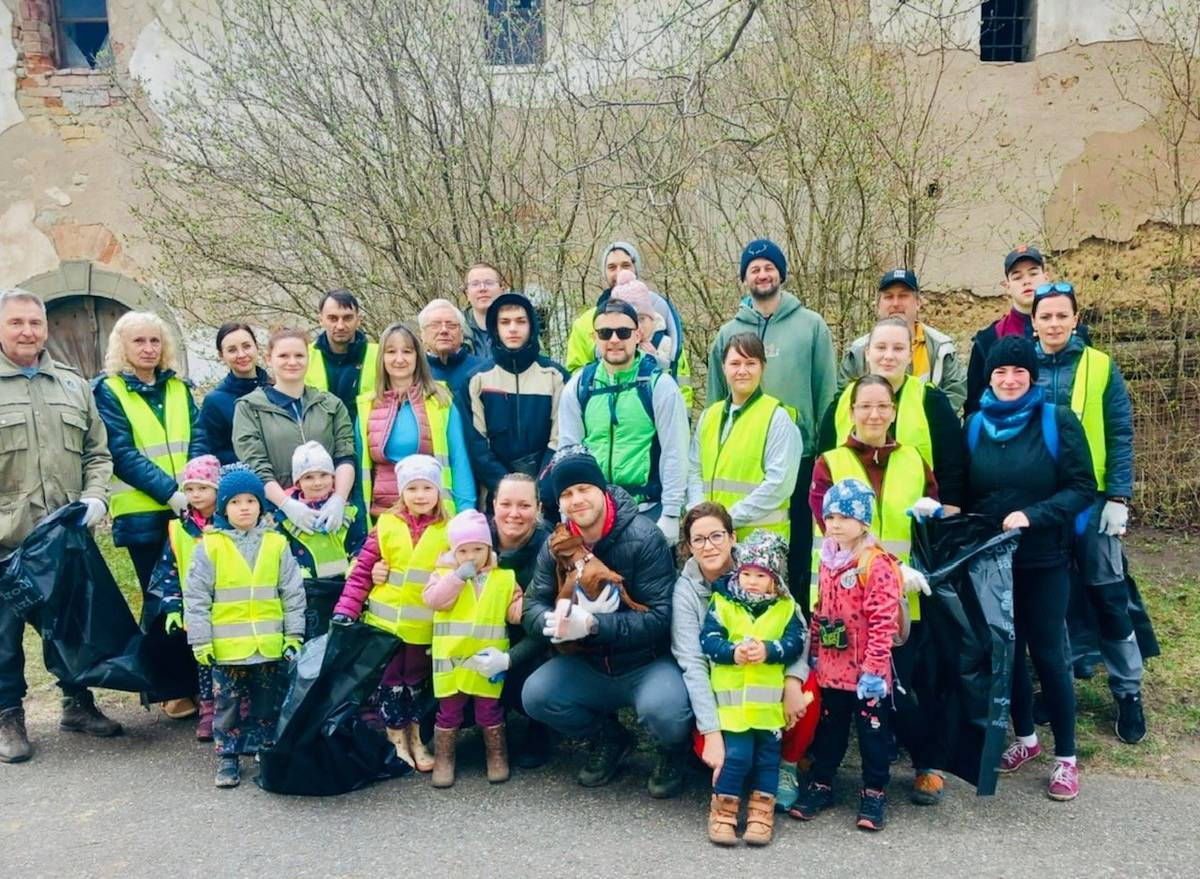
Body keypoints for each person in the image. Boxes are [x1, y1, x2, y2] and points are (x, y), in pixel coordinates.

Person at [520, 447, 692, 798]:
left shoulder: (644, 537)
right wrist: (549, 622)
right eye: (566, 494)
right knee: (536, 695)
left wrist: (595, 626)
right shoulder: (557, 544)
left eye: (583, 489)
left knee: (668, 714)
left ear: (602, 489)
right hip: (587, 663)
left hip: (645, 662)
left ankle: (671, 751)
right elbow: (531, 605)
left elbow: (661, 617)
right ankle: (609, 738)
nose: (576, 500)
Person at [966, 336, 1095, 801]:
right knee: (1007, 650)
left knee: (1048, 654)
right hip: (995, 563)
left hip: (1044, 560)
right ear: (990, 377)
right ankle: (1026, 740)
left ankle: (1067, 758)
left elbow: (1083, 487)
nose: (1009, 379)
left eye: (1019, 372)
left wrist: (1033, 516)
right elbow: (971, 492)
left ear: (1032, 377)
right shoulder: (977, 425)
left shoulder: (1055, 420)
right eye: (1001, 372)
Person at [809, 374, 943, 804]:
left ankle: (925, 764)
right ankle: (832, 773)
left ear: (894, 412)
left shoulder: (914, 459)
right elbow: (826, 524)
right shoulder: (829, 461)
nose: (873, 414)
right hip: (843, 597)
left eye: (882, 406)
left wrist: (933, 517)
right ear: (851, 412)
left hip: (898, 602)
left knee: (903, 691)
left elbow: (932, 524)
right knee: (841, 705)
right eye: (865, 406)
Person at [0, 289, 120, 763]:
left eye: (34, 322)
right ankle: (8, 716)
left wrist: (95, 496)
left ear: (46, 328)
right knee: (4, 638)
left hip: (64, 536)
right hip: (6, 541)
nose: (27, 331)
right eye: (16, 323)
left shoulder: (72, 385)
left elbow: (98, 452)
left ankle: (77, 703)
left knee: (69, 627)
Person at [369, 471, 555, 767]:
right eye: (506, 504)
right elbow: (421, 563)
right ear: (493, 504)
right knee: (447, 714)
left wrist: (508, 660)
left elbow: (543, 627)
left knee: (535, 689)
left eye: (525, 505)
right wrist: (380, 570)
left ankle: (536, 728)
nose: (514, 514)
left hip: (521, 648)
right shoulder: (472, 534)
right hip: (462, 649)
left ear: (539, 508)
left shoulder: (548, 550)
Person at [1032, 282, 1144, 743]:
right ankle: (1058, 690)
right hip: (1046, 504)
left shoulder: (1099, 367)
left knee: (1108, 595)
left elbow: (1120, 433)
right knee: (1053, 600)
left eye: (1063, 316)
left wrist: (1119, 496)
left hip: (1094, 504)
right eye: (1046, 316)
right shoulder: (1022, 368)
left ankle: (1128, 691)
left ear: (1076, 319)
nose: (1054, 324)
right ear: (1033, 321)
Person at [708, 238, 837, 604]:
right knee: (743, 553)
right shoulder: (727, 333)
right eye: (754, 269)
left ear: (781, 273)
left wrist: (826, 454)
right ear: (744, 279)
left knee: (798, 547)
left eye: (768, 267)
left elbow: (827, 393)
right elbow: (716, 399)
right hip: (742, 461)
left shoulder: (810, 326)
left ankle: (795, 624)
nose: (762, 274)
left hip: (802, 458)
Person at [184, 466, 305, 788]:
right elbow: (196, 597)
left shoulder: (277, 544)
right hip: (228, 648)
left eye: (251, 500)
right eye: (235, 501)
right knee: (228, 705)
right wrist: (201, 641)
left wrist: (293, 635)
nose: (244, 507)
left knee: (267, 704)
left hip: (268, 644)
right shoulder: (209, 546)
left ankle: (265, 749)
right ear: (223, 507)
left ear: (261, 506)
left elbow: (292, 593)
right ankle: (227, 756)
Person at [792, 478, 901, 832]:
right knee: (830, 729)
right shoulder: (826, 558)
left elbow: (883, 621)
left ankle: (874, 791)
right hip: (832, 668)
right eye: (830, 516)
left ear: (864, 522)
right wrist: (813, 650)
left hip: (867, 674)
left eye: (844, 516)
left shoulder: (875, 563)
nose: (835, 523)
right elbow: (821, 608)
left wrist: (874, 669)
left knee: (872, 733)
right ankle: (822, 783)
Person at [332, 455, 451, 772]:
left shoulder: (449, 531)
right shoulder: (385, 525)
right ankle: (395, 738)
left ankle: (416, 737)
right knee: (390, 681)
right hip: (386, 625)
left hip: (423, 625)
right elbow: (360, 573)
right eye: (412, 488)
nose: (420, 495)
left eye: (427, 487)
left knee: (415, 681)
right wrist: (347, 610)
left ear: (438, 491)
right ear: (401, 492)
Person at [701, 529, 805, 846]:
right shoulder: (722, 603)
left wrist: (770, 650)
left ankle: (762, 813)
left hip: (768, 709)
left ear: (774, 580)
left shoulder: (786, 609)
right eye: (746, 573)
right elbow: (708, 641)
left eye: (761, 575)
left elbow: (795, 644)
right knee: (738, 757)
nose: (752, 581)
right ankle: (723, 810)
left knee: (767, 761)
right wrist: (732, 652)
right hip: (732, 709)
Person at [557, 299, 689, 542]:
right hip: (593, 516)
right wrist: (566, 509)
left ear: (638, 335)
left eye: (624, 332)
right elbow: (568, 451)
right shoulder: (579, 386)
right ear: (594, 337)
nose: (615, 339)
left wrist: (671, 513)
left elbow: (675, 452)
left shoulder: (659, 387)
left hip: (647, 511)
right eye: (606, 333)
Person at [93, 311, 206, 593]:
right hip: (142, 515)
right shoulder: (109, 390)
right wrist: (170, 493)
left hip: (189, 507)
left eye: (155, 340)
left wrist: (195, 487)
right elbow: (121, 454)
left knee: (196, 592)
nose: (149, 348)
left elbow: (199, 438)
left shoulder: (179, 387)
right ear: (123, 346)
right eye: (139, 341)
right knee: (158, 598)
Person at [819, 317, 967, 514]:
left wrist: (947, 524)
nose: (888, 356)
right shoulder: (842, 404)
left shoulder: (931, 402)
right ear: (867, 353)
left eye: (898, 348)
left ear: (909, 355)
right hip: (851, 532)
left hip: (913, 533)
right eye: (881, 347)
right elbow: (823, 471)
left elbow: (952, 469)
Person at [422, 509, 524, 787]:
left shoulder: (503, 577)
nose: (471, 556)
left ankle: (496, 755)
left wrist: (524, 607)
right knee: (450, 711)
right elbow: (434, 600)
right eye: (463, 550)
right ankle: (444, 759)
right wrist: (456, 577)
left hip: (485, 659)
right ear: (454, 552)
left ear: (489, 549)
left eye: (478, 549)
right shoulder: (442, 574)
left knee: (489, 709)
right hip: (452, 660)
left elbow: (514, 606)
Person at [232, 328, 357, 540]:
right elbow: (256, 465)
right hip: (275, 515)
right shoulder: (249, 407)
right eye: (283, 356)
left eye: (299, 355)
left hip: (329, 513)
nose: (292, 362)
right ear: (268, 359)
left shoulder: (330, 404)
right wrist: (287, 504)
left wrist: (338, 499)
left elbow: (345, 454)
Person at [356, 322, 474, 521]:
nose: (399, 359)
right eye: (391, 352)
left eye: (407, 352)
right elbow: (360, 473)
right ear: (381, 358)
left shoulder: (440, 402)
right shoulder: (367, 405)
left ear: (418, 357)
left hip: (434, 517)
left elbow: (459, 461)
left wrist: (466, 514)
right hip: (383, 519)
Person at [688, 333, 801, 539]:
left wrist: (725, 520)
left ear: (762, 368)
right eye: (735, 363)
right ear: (723, 367)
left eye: (750, 363)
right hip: (713, 541)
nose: (742, 371)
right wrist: (701, 518)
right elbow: (695, 470)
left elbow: (779, 485)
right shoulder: (709, 416)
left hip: (760, 544)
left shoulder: (777, 417)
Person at [462, 292, 568, 501]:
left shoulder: (555, 376)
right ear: (495, 327)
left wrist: (539, 490)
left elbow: (560, 439)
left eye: (520, 321)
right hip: (497, 496)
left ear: (531, 326)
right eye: (505, 322)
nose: (513, 328)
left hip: (547, 494)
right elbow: (478, 447)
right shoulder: (477, 380)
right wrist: (508, 490)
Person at [563, 240, 693, 405]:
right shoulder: (585, 322)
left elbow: (680, 374)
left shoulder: (661, 318)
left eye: (625, 265)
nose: (619, 272)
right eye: (612, 267)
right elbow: (576, 374)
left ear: (635, 269)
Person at [152, 454, 222, 741]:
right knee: (204, 662)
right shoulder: (178, 528)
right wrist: (172, 607)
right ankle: (208, 711)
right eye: (190, 489)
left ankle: (235, 710)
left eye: (203, 488)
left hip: (230, 605)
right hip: (196, 609)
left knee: (231, 663)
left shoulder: (230, 523)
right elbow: (169, 570)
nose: (195, 495)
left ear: (217, 489)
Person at [838, 269, 967, 413]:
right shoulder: (858, 351)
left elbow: (955, 392)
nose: (896, 303)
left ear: (918, 303)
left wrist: (924, 421)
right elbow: (844, 397)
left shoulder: (941, 348)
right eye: (888, 297)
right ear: (877, 306)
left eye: (903, 296)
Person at [278, 441, 366, 638]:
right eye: (308, 477)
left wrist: (356, 564)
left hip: (344, 590)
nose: (318, 482)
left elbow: (361, 544)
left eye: (324, 475)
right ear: (297, 482)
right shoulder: (285, 519)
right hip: (307, 594)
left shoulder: (349, 512)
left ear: (333, 478)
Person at [964, 245, 1048, 416]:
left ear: (1046, 277)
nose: (1027, 281)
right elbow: (974, 405)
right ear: (1007, 286)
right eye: (1017, 277)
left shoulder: (1072, 333)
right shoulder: (987, 341)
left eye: (1033, 274)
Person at [198, 323, 270, 464]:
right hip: (244, 481)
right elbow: (213, 453)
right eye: (232, 350)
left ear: (257, 347)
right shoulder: (215, 402)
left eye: (246, 346)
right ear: (221, 355)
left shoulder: (277, 389)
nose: (242, 355)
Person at [305, 289, 379, 415]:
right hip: (322, 434)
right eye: (333, 318)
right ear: (320, 320)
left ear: (359, 319)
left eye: (347, 318)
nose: (340, 326)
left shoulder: (380, 355)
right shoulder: (304, 356)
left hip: (365, 434)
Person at [419, 298, 484, 395]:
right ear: (423, 335)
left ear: (462, 334)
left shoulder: (484, 370)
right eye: (435, 325)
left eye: (451, 325)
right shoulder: (415, 374)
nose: (444, 330)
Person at [462, 262, 507, 354]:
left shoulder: (518, 325)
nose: (482, 288)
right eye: (475, 284)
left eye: (489, 283)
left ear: (502, 290)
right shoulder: (455, 329)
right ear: (467, 294)